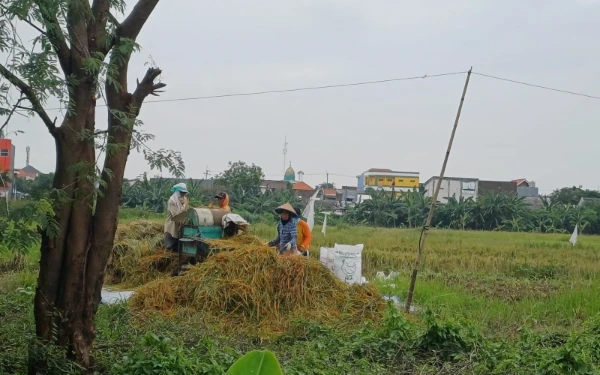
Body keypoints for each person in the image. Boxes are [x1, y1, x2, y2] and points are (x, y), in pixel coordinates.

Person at [164, 182, 189, 251]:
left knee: (177, 248)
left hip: (180, 225)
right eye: (181, 192)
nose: (183, 194)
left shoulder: (184, 200)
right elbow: (176, 215)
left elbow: (186, 210)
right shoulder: (172, 201)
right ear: (177, 192)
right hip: (171, 226)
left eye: (184, 193)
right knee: (169, 246)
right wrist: (186, 221)